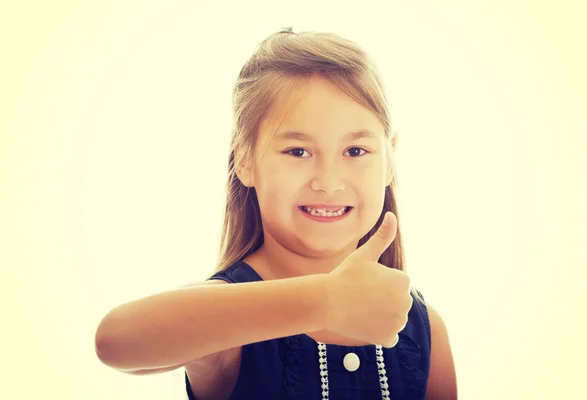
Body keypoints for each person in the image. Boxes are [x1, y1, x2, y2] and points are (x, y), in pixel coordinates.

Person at [95, 27, 457, 400]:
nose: (329, 182)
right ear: (245, 162)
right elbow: (115, 340)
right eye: (298, 152)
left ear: (390, 159)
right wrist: (323, 301)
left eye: (355, 151)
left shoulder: (425, 328)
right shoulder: (224, 318)